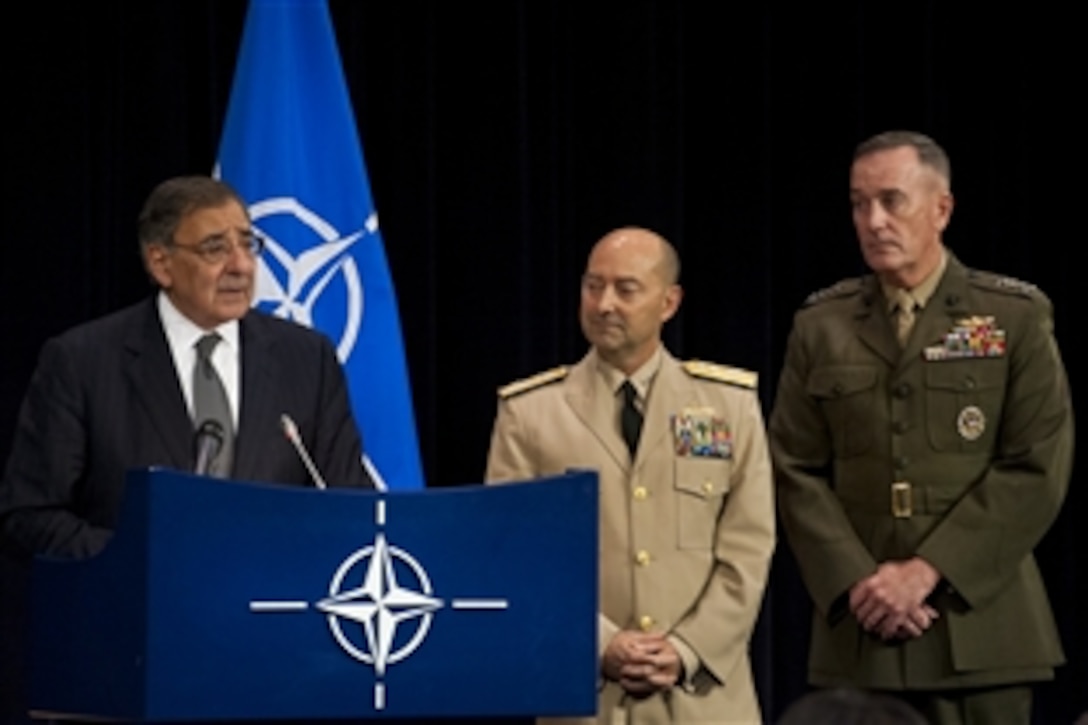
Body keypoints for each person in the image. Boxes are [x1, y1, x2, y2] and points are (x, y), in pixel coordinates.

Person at [769, 131, 1073, 724]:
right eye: (859, 204)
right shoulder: (821, 325)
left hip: (980, 630)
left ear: (942, 209)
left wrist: (928, 571)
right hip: (864, 633)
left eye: (891, 200)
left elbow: (1037, 463)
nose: (873, 220)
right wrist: (858, 581)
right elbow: (793, 466)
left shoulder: (1012, 315)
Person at [485, 227, 775, 724]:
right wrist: (601, 643)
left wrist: (685, 649)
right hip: (586, 697)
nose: (603, 304)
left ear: (669, 302)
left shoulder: (728, 404)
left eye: (626, 289)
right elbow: (515, 552)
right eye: (592, 286)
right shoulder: (531, 413)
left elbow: (748, 547)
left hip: (703, 701)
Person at [0, 175, 374, 559]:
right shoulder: (82, 361)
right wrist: (137, 562)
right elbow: (31, 515)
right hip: (135, 609)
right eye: (216, 249)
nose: (242, 266)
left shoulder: (308, 360)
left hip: (270, 606)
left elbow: (350, 504)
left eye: (248, 244)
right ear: (161, 263)